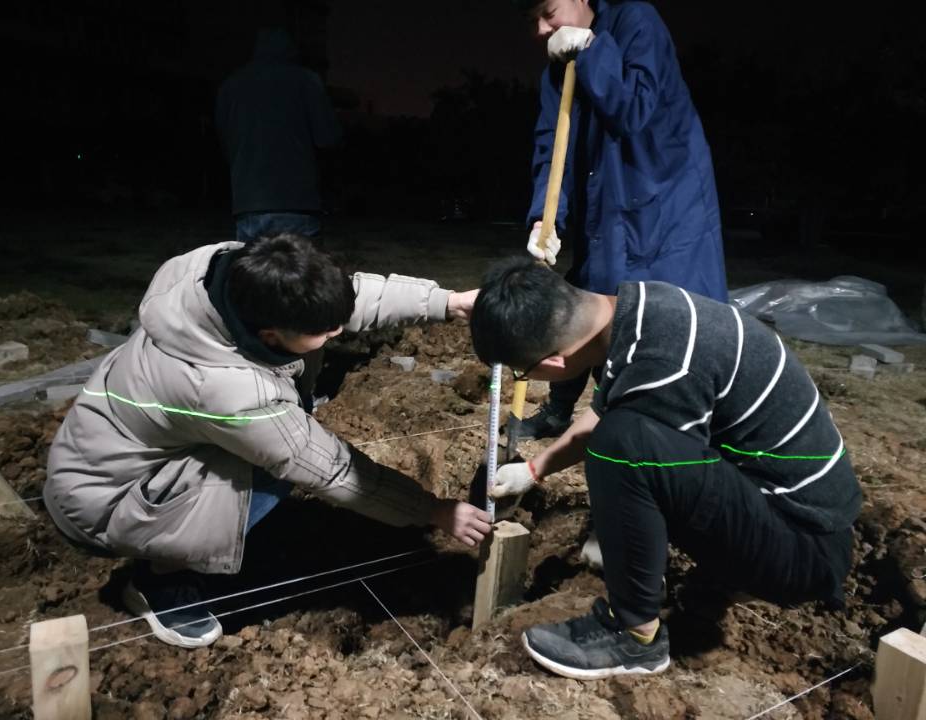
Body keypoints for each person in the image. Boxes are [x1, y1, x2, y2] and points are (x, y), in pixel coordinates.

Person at [44, 234, 491, 648]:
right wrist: (432, 510)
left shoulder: (223, 275)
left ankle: (195, 534)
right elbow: (328, 468)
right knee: (276, 470)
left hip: (113, 451)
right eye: (325, 332)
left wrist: (448, 302)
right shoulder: (227, 391)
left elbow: (347, 296)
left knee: (274, 443)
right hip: (103, 499)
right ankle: (160, 581)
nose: (338, 334)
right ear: (271, 337)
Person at [469, 258, 860, 678]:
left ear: (553, 366)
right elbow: (605, 411)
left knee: (621, 444)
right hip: (794, 511)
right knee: (622, 434)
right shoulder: (639, 312)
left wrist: (618, 531)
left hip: (805, 550)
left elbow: (628, 445)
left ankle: (635, 638)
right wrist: (534, 469)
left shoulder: (665, 362)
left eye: (522, 371)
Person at [514, 0, 728, 440]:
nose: (541, 29)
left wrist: (593, 50)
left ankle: (652, 420)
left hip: (666, 201)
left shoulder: (636, 22)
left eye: (548, 12)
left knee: (656, 319)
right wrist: (544, 218)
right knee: (586, 297)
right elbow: (551, 147)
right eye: (532, 21)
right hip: (605, 203)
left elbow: (633, 110)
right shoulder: (556, 68)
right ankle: (560, 411)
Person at [215, 28, 342, 242]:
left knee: (254, 261)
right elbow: (328, 137)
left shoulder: (231, 84)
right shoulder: (306, 80)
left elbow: (225, 142)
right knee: (297, 262)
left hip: (247, 203)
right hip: (297, 200)